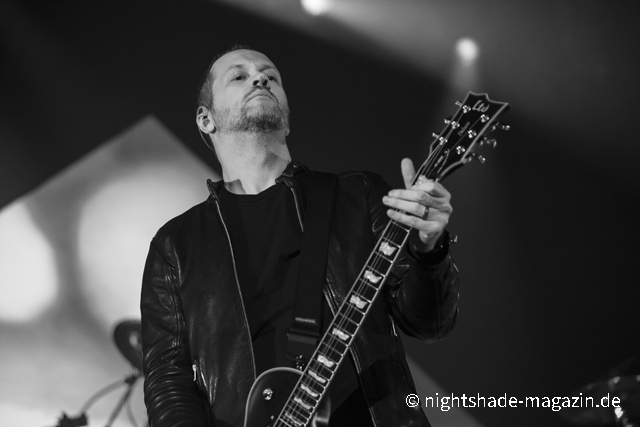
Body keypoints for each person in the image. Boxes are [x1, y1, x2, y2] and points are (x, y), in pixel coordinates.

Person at [141, 46, 459, 427]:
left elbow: (430, 323)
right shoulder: (176, 246)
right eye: (239, 76)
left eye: (270, 76)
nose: (260, 79)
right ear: (206, 119)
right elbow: (167, 378)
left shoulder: (357, 196)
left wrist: (429, 249)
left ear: (286, 119)